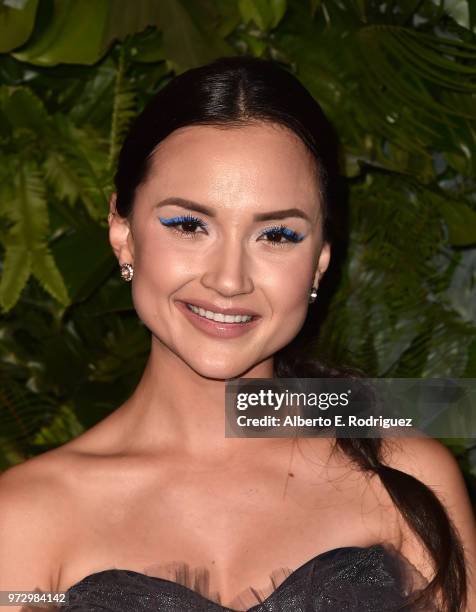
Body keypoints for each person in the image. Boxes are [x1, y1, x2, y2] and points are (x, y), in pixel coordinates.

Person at [0, 55, 474, 612]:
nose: (229, 280)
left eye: (276, 235)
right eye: (188, 225)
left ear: (320, 261)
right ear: (123, 234)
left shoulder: (405, 481)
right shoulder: (26, 515)